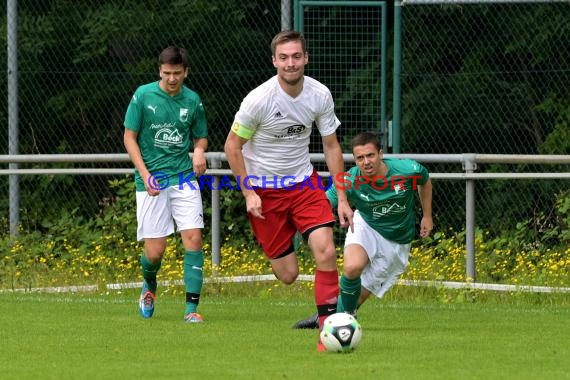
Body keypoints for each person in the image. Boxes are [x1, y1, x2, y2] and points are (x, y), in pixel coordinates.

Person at [224, 30, 354, 351]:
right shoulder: (258, 100)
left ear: (306, 58)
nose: (291, 63)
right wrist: (248, 193)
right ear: (274, 61)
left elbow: (331, 146)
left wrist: (342, 198)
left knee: (325, 250)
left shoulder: (319, 95)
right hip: (264, 192)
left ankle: (328, 334)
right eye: (284, 58)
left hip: (304, 184)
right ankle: (283, 245)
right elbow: (232, 146)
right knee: (288, 275)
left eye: (296, 56)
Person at [293, 131, 433, 329]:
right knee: (351, 268)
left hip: (397, 241)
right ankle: (346, 323)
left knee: (357, 297)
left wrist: (427, 216)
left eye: (370, 155)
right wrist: (300, 221)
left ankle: (328, 317)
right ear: (355, 160)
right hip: (365, 224)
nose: (366, 162)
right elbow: (324, 202)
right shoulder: (351, 179)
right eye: (360, 158)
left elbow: (425, 181)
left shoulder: (407, 169)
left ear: (380, 154)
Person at [123, 46, 208, 323]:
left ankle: (191, 310)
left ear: (186, 72)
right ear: (160, 71)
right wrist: (145, 174)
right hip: (152, 180)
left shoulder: (193, 100)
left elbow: (200, 137)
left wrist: (198, 151)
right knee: (154, 252)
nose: (172, 78)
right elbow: (129, 138)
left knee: (193, 239)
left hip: (183, 177)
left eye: (177, 73)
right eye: (167, 73)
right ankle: (149, 284)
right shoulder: (143, 95)